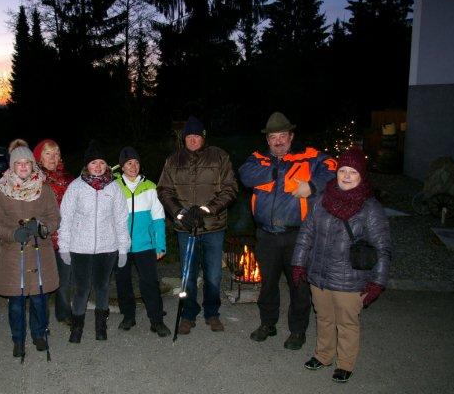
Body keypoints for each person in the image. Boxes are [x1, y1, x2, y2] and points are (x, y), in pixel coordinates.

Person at [291, 147, 391, 383]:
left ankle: (345, 363)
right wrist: (298, 264)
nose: (346, 176)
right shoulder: (321, 200)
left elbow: (383, 247)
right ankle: (323, 355)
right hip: (320, 274)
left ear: (361, 176)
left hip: (350, 278)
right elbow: (306, 234)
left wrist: (378, 281)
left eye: (352, 172)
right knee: (323, 318)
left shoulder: (370, 208)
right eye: (342, 170)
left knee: (346, 323)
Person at [238, 112, 337, 350]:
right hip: (266, 235)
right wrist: (277, 171)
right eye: (273, 137)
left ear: (291, 136)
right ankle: (268, 324)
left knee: (299, 286)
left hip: (298, 236)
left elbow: (334, 168)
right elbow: (244, 175)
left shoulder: (309, 156)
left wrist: (312, 186)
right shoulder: (258, 158)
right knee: (268, 284)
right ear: (268, 140)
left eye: (283, 135)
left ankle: (297, 330)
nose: (278, 141)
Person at [157, 116, 238, 334]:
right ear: (184, 139)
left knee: (213, 274)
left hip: (213, 226)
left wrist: (208, 209)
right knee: (188, 273)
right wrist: (180, 213)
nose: (193, 140)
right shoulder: (173, 160)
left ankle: (212, 313)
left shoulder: (219, 156)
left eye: (196, 136)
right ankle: (188, 314)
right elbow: (164, 190)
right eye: (189, 137)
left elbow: (230, 188)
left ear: (203, 138)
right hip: (186, 228)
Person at [0, 139, 60, 358]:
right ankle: (18, 339)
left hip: (40, 251)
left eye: (27, 162)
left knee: (39, 299)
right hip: (13, 254)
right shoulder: (0, 190)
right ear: (12, 165)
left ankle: (39, 334)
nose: (23, 166)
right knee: (16, 302)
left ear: (32, 164)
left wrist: (42, 228)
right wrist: (12, 234)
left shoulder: (44, 188)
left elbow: (54, 217)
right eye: (18, 163)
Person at [58, 140, 130, 343]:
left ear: (106, 165)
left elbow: (121, 219)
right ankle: (77, 327)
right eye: (93, 163)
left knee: (102, 287)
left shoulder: (114, 188)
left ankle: (101, 326)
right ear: (86, 166)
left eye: (101, 162)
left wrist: (123, 248)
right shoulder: (76, 187)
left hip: (108, 247)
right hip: (80, 247)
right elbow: (67, 218)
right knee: (81, 288)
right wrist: (64, 246)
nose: (97, 166)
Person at [113, 146, 171, 337]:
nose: (133, 166)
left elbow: (158, 218)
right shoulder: (114, 188)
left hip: (145, 245)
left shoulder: (150, 187)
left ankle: (156, 320)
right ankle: (128, 316)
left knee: (150, 283)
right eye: (129, 163)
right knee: (123, 283)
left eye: (136, 162)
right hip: (121, 245)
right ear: (122, 167)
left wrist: (160, 244)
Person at [33, 139, 74, 326]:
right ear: (39, 156)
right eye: (48, 153)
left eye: (56, 153)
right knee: (42, 280)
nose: (53, 157)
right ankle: (40, 320)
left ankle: (63, 313)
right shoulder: (33, 178)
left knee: (65, 278)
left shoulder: (68, 178)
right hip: (43, 237)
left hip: (65, 237)